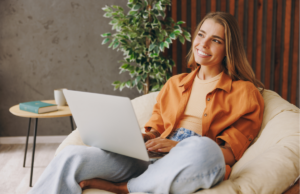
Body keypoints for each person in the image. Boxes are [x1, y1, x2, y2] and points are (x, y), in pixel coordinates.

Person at [28, 12, 265, 194]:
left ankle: (127, 187)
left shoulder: (246, 92)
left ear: (227, 49)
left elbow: (229, 155)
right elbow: (154, 129)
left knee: (206, 149)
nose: (203, 44)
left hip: (192, 159)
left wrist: (177, 147)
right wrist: (142, 139)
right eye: (201, 35)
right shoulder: (175, 83)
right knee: (71, 156)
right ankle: (140, 180)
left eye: (215, 40)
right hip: (150, 158)